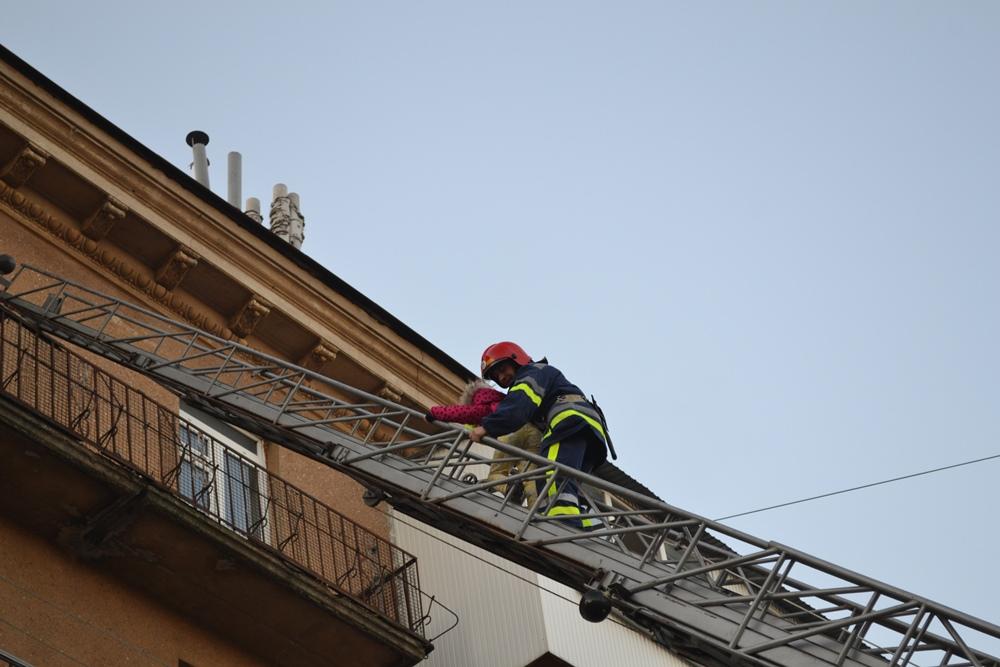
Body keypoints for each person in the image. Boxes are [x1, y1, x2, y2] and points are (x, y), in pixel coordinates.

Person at [468, 342, 609, 529]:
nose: (502, 377)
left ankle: (562, 525)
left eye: (502, 369)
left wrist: (485, 428)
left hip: (568, 423)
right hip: (589, 433)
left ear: (516, 359)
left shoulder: (531, 374)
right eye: (496, 376)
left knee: (550, 475)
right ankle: (588, 528)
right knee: (569, 487)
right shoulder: (543, 375)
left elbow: (517, 409)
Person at [426, 379, 541, 506]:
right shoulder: (504, 400)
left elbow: (462, 413)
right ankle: (536, 509)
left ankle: (509, 487)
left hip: (510, 432)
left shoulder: (484, 403)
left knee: (496, 474)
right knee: (531, 477)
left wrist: (434, 413)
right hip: (533, 430)